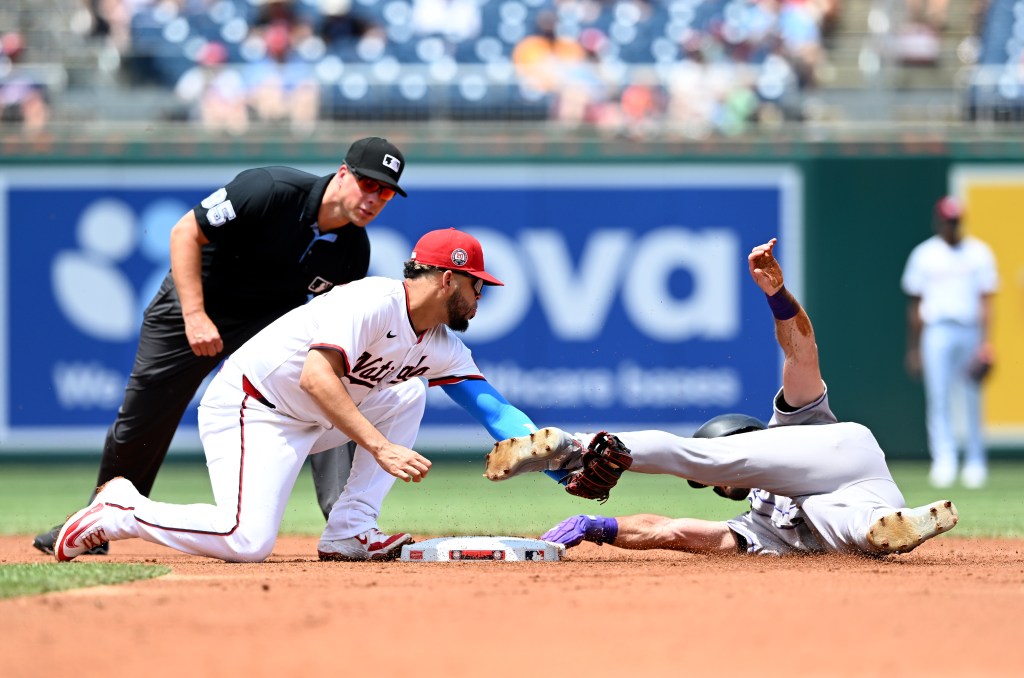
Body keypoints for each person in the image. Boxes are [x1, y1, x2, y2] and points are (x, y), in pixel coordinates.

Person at [54, 228, 543, 563]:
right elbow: (316, 378)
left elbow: (493, 409)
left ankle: (350, 531)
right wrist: (379, 446)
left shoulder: (441, 345)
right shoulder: (372, 301)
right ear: (449, 278)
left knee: (408, 393)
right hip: (253, 408)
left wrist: (562, 459)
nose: (482, 298)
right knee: (246, 541)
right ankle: (122, 509)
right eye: (478, 286)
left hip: (310, 420)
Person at [34, 136, 407, 556]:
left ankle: (343, 526)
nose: (375, 197)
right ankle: (97, 522)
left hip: (268, 323)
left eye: (387, 191)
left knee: (325, 385)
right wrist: (195, 316)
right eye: (368, 184)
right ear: (343, 174)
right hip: (194, 305)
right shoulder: (269, 189)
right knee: (142, 422)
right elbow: (184, 233)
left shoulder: (353, 250)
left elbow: (331, 333)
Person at [485, 238, 959, 558]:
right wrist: (597, 526)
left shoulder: (790, 423)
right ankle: (894, 526)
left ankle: (573, 446)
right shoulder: (758, 524)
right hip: (866, 490)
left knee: (698, 457)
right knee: (844, 528)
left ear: (741, 437)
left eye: (713, 483)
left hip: (830, 446)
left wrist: (778, 296)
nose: (714, 489)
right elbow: (674, 531)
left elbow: (801, 353)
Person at [901, 196, 998, 489]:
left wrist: (987, 343)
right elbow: (915, 305)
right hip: (937, 330)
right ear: (938, 221)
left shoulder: (978, 252)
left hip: (969, 330)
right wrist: (914, 347)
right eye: (946, 220)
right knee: (939, 397)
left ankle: (975, 461)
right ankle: (945, 461)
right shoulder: (925, 254)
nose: (950, 226)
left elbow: (986, 302)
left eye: (954, 221)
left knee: (971, 397)